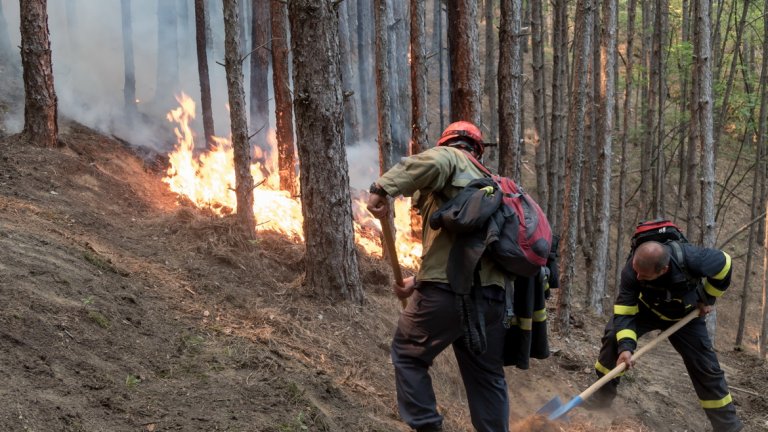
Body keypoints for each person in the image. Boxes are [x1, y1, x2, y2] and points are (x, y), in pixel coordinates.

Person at [366, 121, 510, 432]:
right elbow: (468, 249)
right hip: (493, 301)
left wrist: (382, 189)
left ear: (447, 144)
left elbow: (422, 163)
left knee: (408, 354)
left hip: (449, 292)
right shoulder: (491, 183)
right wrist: (419, 280)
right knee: (487, 377)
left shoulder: (450, 157)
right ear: (478, 151)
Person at [589, 240, 743, 432]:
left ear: (663, 269)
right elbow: (625, 311)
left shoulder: (694, 259)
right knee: (614, 338)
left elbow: (725, 263)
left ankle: (728, 427)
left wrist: (707, 297)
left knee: (706, 366)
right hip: (646, 310)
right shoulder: (631, 271)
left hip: (685, 316)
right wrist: (626, 347)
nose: (638, 276)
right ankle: (601, 398)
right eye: (636, 271)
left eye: (644, 275)